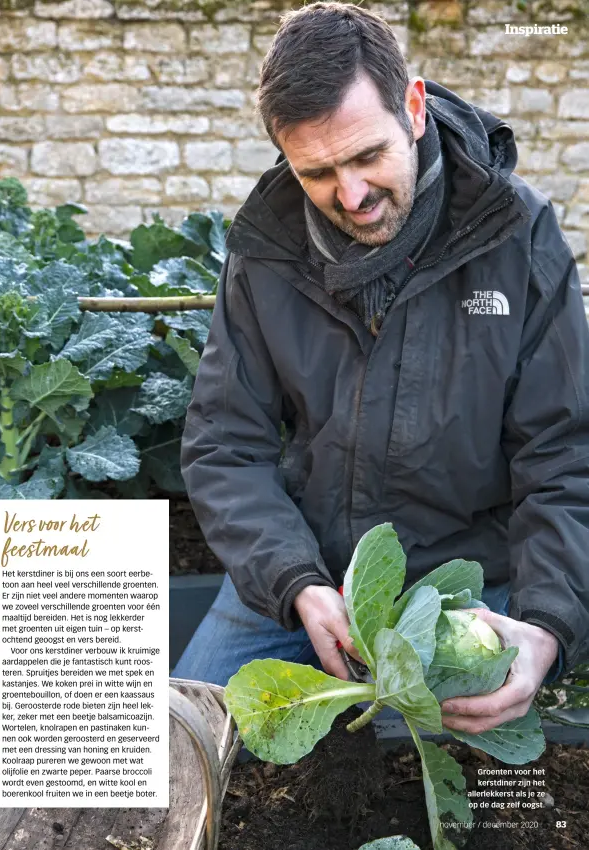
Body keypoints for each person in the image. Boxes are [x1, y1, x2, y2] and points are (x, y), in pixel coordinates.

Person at [172, 3, 589, 735]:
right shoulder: (265, 247)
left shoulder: (517, 236)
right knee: (176, 741)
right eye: (318, 173)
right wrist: (296, 582)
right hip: (307, 576)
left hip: (464, 591)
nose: (352, 196)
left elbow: (566, 455)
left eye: (367, 156)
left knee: (418, 793)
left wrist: (548, 624)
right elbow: (223, 444)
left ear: (416, 108)